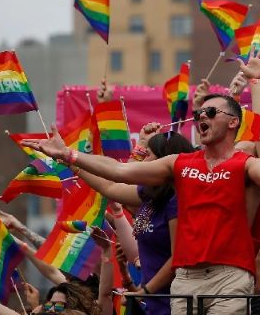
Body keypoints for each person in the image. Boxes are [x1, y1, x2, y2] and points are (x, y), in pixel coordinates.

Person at [22, 49, 260, 315]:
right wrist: (69, 155)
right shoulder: (179, 162)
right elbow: (118, 173)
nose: (202, 116)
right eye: (200, 112)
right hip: (186, 279)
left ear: (232, 123)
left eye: (212, 113)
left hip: (230, 276)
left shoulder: (246, 164)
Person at [77, 123, 195, 315]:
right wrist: (74, 164)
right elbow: (112, 187)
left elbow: (178, 257)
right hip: (153, 302)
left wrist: (144, 291)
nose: (142, 160)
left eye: (148, 155)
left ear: (164, 162)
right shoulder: (149, 197)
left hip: (173, 301)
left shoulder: (176, 200)